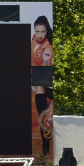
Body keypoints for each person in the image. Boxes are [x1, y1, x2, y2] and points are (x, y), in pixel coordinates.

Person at [31, 16, 54, 158]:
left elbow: (46, 70)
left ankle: (46, 143)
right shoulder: (33, 40)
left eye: (43, 32)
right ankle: (45, 143)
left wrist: (45, 61)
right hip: (35, 77)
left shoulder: (48, 48)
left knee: (43, 115)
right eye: (37, 31)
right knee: (41, 113)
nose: (40, 35)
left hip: (43, 78)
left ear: (47, 31)